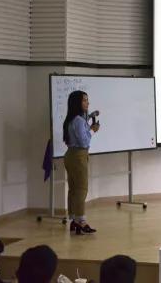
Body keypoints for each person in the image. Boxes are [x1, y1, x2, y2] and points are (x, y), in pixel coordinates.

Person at [63, 90, 99, 235]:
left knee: (73, 189)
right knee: (82, 189)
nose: (87, 103)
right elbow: (84, 141)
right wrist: (93, 130)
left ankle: (74, 219)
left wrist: (89, 122)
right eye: (84, 100)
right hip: (79, 156)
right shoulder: (78, 121)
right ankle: (81, 221)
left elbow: (80, 132)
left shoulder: (72, 119)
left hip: (71, 155)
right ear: (77, 103)